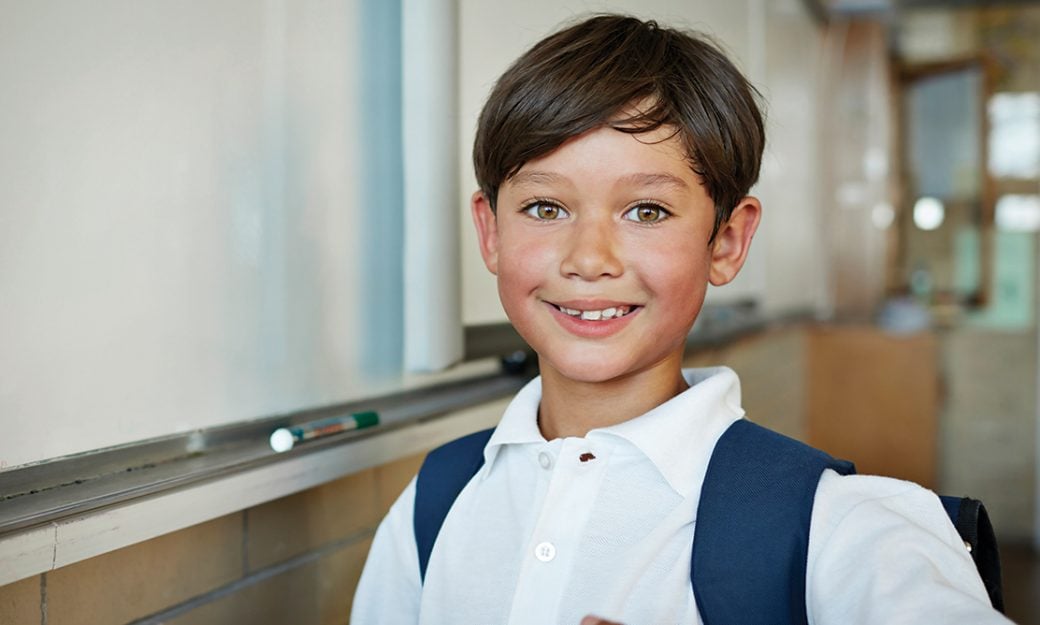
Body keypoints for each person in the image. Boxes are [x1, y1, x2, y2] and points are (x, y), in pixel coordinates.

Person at [352, 14, 1010, 625]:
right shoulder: (433, 508)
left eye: (647, 211)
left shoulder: (839, 528)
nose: (589, 259)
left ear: (726, 241)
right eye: (547, 207)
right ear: (490, 231)